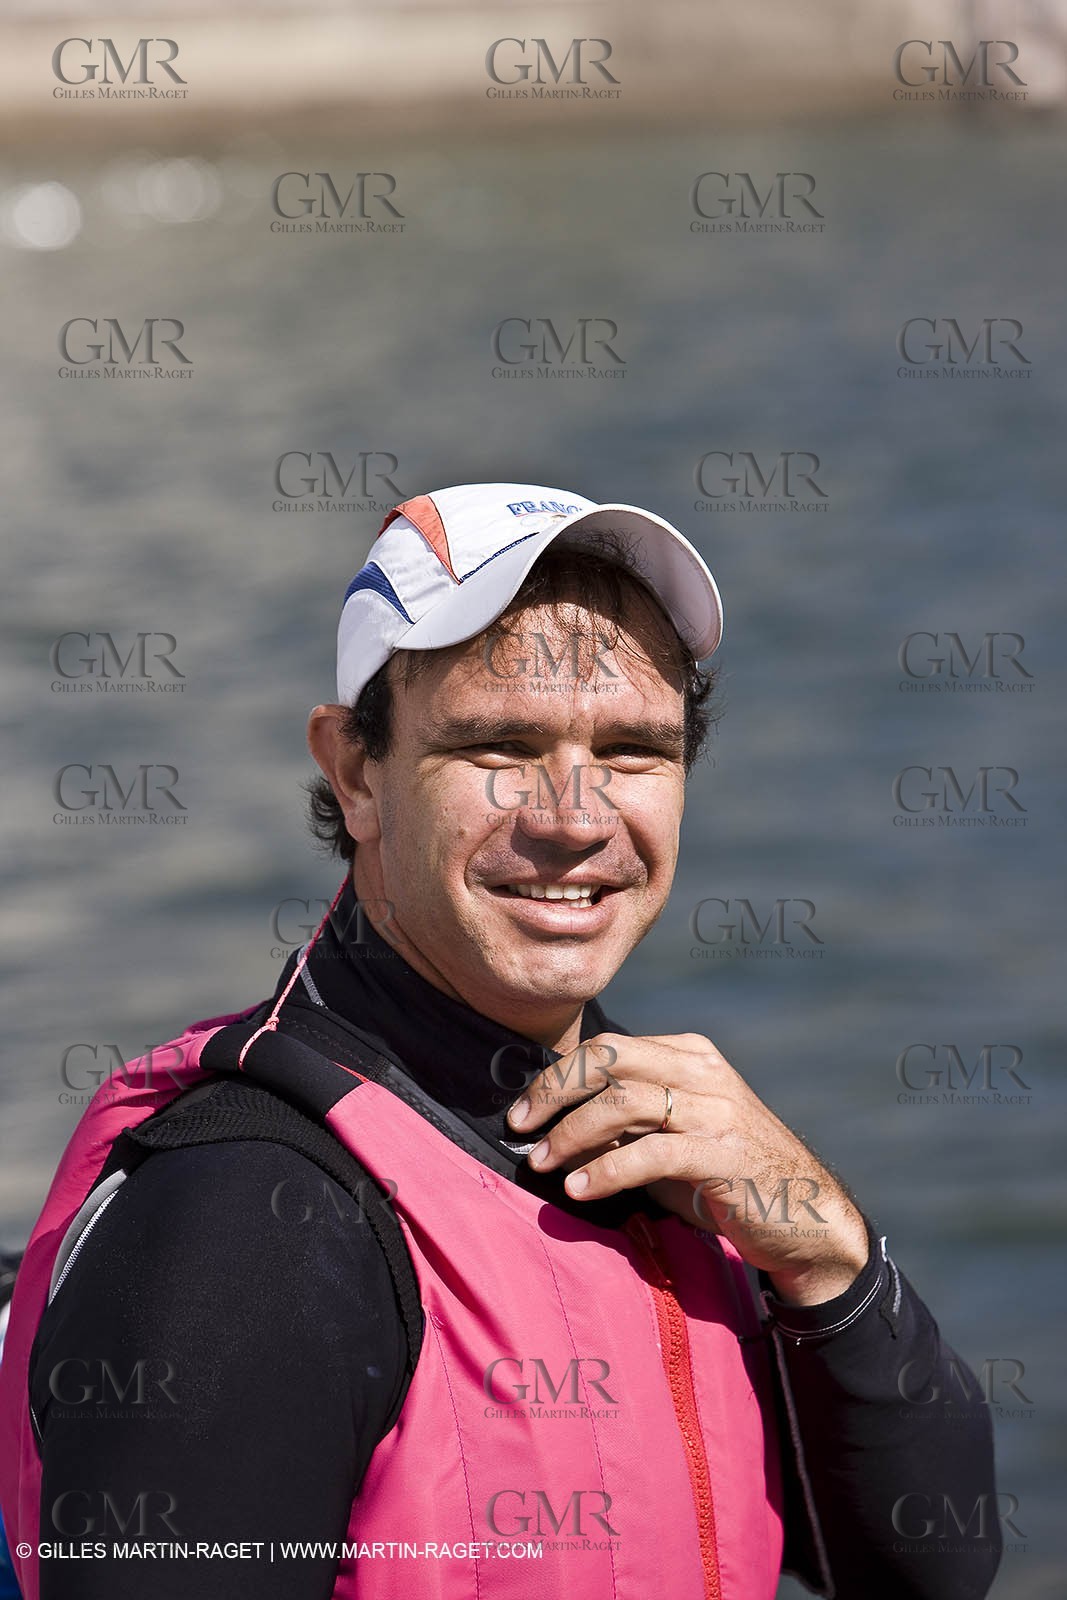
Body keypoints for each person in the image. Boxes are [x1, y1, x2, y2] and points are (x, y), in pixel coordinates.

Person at [0, 482, 999, 1600]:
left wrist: (827, 1259)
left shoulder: (676, 1150)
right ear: (354, 772)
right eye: (500, 744)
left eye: (631, 751)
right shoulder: (247, 1220)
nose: (574, 816)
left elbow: (931, 1563)